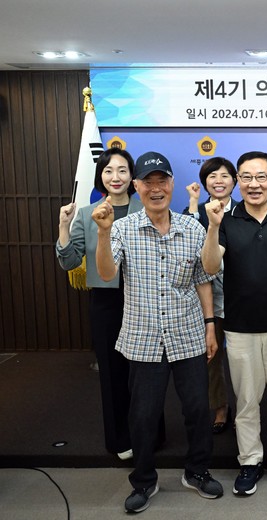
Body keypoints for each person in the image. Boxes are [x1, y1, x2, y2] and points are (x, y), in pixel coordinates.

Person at [93, 151, 223, 513]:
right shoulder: (122, 228)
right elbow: (106, 273)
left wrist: (210, 326)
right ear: (136, 187)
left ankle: (197, 472)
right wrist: (103, 233)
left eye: (161, 181)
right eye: (147, 182)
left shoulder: (192, 227)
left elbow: (208, 273)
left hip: (188, 334)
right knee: (143, 415)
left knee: (197, 410)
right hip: (143, 337)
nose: (155, 188)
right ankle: (144, 480)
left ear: (171, 184)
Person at [201, 151, 267, 495]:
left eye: (262, 177)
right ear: (238, 181)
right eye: (246, 177)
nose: (254, 184)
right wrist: (213, 226)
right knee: (246, 400)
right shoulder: (225, 220)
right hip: (240, 328)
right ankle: (249, 460)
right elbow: (210, 266)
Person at [56, 148, 145, 460]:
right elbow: (69, 262)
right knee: (112, 372)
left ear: (132, 177)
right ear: (100, 176)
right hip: (106, 302)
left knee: (145, 372)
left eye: (122, 170)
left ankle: (149, 434)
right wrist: (64, 226)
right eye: (109, 170)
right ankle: (120, 439)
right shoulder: (86, 214)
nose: (115, 177)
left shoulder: (146, 207)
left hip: (144, 299)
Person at [183, 157, 240, 434]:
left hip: (240, 297)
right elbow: (188, 246)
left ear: (235, 181)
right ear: (204, 182)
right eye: (212, 176)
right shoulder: (193, 212)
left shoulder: (245, 210)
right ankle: (220, 406)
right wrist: (194, 204)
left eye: (225, 175)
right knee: (212, 357)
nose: (219, 181)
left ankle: (247, 408)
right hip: (208, 298)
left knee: (243, 359)